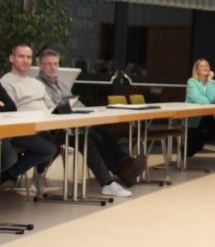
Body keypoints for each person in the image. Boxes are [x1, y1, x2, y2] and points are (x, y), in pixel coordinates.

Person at [1, 45, 132, 197]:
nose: (25, 60)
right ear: (12, 58)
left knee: (82, 139)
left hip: (48, 127)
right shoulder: (6, 81)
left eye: (28, 57)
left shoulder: (35, 83)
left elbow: (50, 105)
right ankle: (10, 174)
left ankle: (107, 184)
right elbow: (12, 110)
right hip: (24, 129)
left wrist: (60, 111)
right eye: (21, 56)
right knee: (49, 148)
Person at [36, 48, 145, 186]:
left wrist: (88, 112)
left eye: (55, 64)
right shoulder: (38, 85)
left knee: (104, 132)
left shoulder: (60, 84)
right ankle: (121, 170)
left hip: (73, 123)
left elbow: (75, 102)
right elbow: (52, 108)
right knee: (92, 137)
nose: (53, 67)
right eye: (48, 64)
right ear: (40, 65)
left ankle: (124, 164)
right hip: (57, 129)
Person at [1, 83, 57, 185]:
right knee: (10, 157)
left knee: (48, 148)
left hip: (12, 129)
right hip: (10, 129)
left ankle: (8, 175)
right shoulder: (8, 80)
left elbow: (11, 107)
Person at [184, 58, 215, 158]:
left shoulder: (213, 82)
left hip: (208, 116)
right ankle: (194, 144)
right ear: (196, 70)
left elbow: (213, 97)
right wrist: (212, 101)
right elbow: (198, 99)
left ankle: (198, 142)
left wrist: (209, 81)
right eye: (202, 66)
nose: (205, 67)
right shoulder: (192, 82)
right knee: (189, 151)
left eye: (207, 65)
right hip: (194, 117)